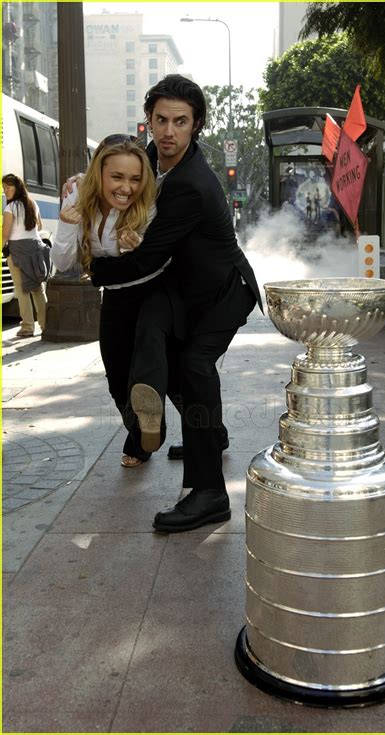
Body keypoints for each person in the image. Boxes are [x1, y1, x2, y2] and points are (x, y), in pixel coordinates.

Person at [89, 75, 263, 534]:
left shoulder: (191, 183)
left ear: (195, 125)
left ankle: (208, 493)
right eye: (161, 120)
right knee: (153, 346)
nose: (168, 131)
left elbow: (148, 256)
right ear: (149, 121)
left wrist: (93, 269)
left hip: (223, 291)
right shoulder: (145, 160)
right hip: (180, 286)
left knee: (193, 366)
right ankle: (209, 432)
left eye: (180, 122)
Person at [51, 135, 184, 468]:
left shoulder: (150, 204)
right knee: (117, 380)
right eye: (117, 177)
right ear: (99, 174)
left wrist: (138, 246)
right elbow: (63, 263)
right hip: (115, 297)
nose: (127, 187)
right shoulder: (78, 197)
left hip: (155, 292)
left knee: (149, 367)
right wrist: (67, 225)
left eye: (135, 178)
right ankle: (147, 430)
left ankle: (143, 442)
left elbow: (161, 260)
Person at [2, 174, 50, 338]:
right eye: (4, 188)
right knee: (37, 288)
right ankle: (45, 325)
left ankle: (28, 327)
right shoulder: (32, 203)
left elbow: (5, 233)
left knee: (21, 289)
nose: (5, 190)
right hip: (35, 248)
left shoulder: (10, 208)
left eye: (8, 187)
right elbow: (40, 226)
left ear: (17, 187)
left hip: (17, 250)